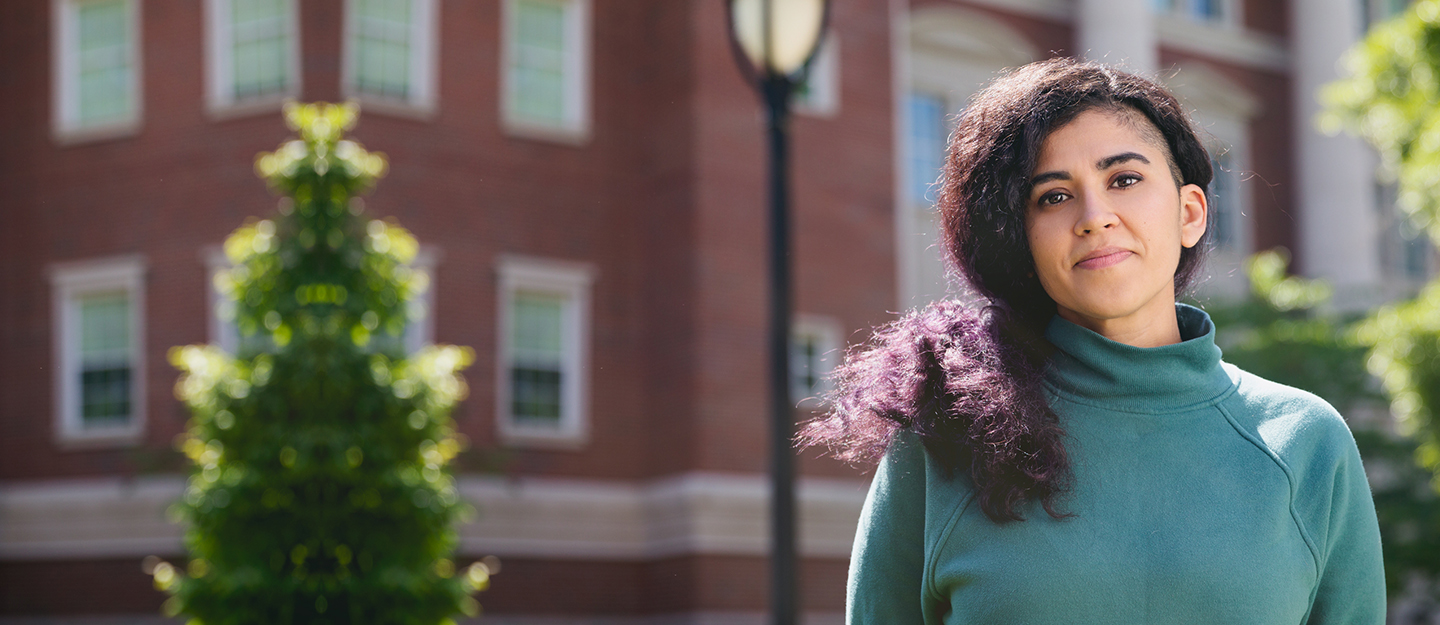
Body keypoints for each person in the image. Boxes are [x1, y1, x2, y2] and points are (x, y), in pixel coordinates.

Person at [799, 57, 1385, 623]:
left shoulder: (1308, 442)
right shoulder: (945, 439)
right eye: (1053, 196)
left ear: (1191, 213)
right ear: (1022, 239)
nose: (1094, 215)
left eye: (1125, 179)